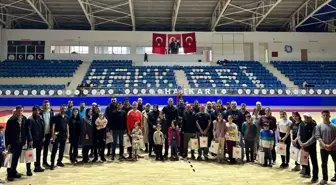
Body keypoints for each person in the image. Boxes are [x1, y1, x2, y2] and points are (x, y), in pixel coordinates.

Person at [5, 106, 31, 181]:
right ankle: (9, 174)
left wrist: (29, 139)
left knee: (16, 159)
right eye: (18, 110)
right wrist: (7, 143)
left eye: (21, 110)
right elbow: (7, 133)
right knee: (12, 159)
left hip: (21, 142)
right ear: (16, 111)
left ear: (23, 111)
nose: (20, 112)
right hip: (14, 143)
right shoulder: (11, 120)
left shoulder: (25, 119)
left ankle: (13, 172)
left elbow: (27, 130)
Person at [315, 110, 336, 185]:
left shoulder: (334, 126)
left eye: (327, 115)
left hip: (334, 149)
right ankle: (324, 178)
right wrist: (324, 145)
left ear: (329, 116)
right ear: (322, 116)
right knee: (324, 164)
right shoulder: (319, 126)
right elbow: (318, 136)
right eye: (324, 115)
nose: (325, 117)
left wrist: (330, 145)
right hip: (323, 149)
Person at [297, 113, 318, 183]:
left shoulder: (314, 125)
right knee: (305, 160)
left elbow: (314, 137)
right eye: (305, 117)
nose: (306, 118)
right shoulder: (301, 124)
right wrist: (300, 143)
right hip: (303, 145)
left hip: (311, 146)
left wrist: (306, 144)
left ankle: (315, 177)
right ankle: (307, 173)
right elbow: (298, 134)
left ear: (311, 118)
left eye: (308, 117)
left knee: (314, 161)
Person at [26, 106, 45, 175]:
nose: (37, 112)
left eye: (38, 111)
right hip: (32, 140)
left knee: (38, 154)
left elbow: (42, 127)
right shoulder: (30, 119)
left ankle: (37, 167)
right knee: (30, 154)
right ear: (33, 111)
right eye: (36, 110)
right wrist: (30, 139)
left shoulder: (40, 118)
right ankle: (28, 170)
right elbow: (28, 130)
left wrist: (43, 136)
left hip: (39, 139)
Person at [50, 104, 69, 170]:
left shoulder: (66, 116)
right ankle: (52, 163)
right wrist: (53, 134)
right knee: (54, 149)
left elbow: (67, 125)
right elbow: (53, 126)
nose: (64, 110)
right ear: (60, 109)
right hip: (56, 135)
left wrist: (68, 134)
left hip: (64, 135)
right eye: (62, 108)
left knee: (62, 149)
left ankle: (59, 161)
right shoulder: (56, 117)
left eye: (65, 109)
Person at [40, 100, 54, 169]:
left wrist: (53, 133)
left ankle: (44, 162)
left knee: (46, 149)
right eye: (45, 105)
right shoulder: (40, 113)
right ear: (42, 106)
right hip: (41, 135)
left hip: (48, 134)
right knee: (39, 150)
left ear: (49, 106)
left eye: (47, 105)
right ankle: (37, 164)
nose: (46, 106)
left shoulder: (51, 113)